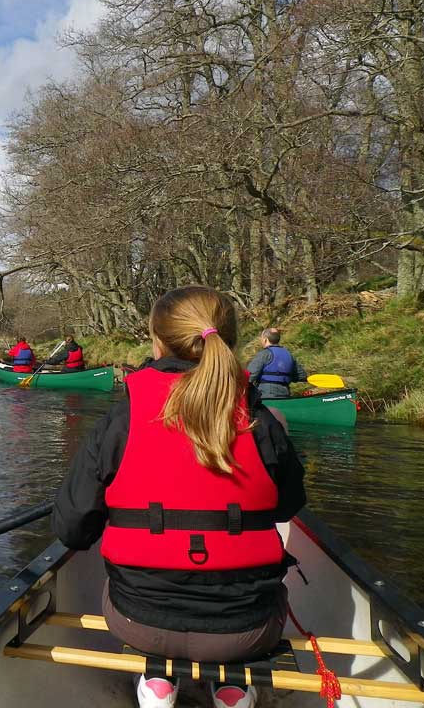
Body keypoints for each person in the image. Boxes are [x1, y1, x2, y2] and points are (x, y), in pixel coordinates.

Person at [52, 286, 306, 708]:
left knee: (145, 590)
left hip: (138, 621)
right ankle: (232, 688)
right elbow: (287, 507)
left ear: (157, 340)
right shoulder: (261, 420)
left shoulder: (121, 419)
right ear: (230, 340)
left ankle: (158, 682)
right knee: (241, 608)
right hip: (247, 628)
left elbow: (73, 530)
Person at [247, 327, 308, 399]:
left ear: (265, 339)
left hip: (265, 395)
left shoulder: (264, 354)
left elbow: (248, 376)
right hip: (285, 394)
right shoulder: (288, 355)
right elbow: (302, 375)